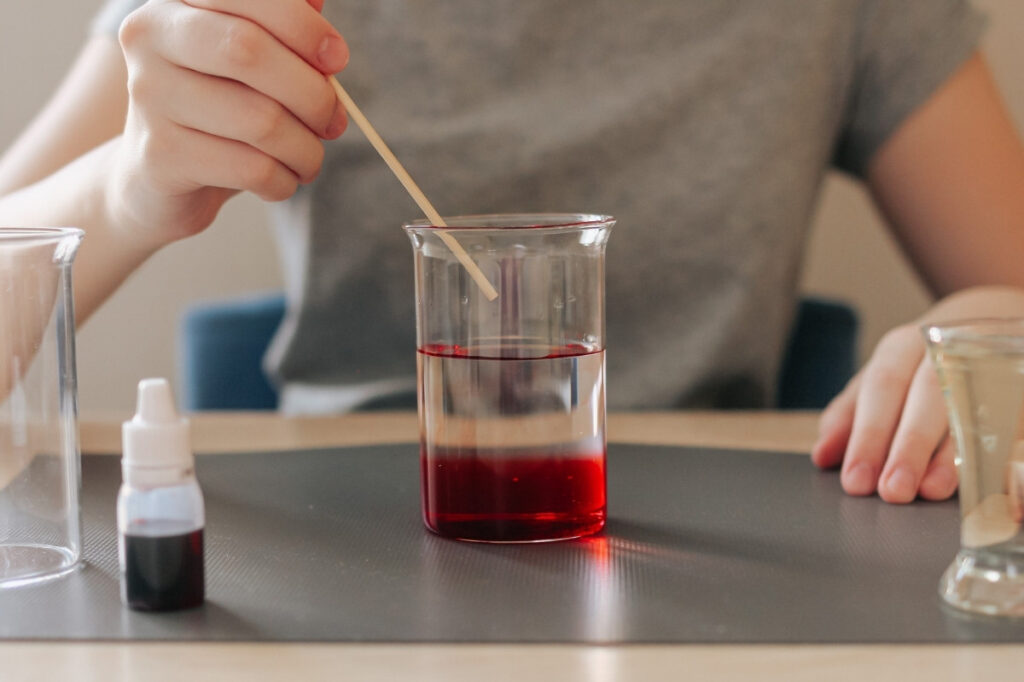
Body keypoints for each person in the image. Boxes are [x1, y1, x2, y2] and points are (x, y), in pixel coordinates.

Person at [2, 0, 1023, 505]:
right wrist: (126, 190)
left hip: (719, 564)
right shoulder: (261, 10)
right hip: (338, 565)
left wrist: (990, 330)